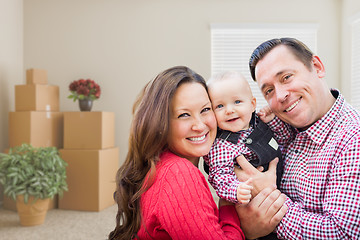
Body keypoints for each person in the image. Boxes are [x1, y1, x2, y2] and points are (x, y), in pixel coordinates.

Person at [108, 66, 288, 240]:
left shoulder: (162, 163)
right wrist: (238, 219)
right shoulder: (179, 174)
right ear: (161, 123)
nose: (200, 125)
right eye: (184, 115)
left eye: (205, 110)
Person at [234, 38, 360, 239]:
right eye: (269, 90)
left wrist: (269, 202)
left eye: (286, 77)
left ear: (317, 67)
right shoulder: (280, 129)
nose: (281, 95)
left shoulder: (353, 140)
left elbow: (343, 234)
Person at [203, 71, 283, 204]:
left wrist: (272, 121)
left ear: (252, 104)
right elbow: (220, 177)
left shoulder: (259, 122)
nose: (229, 110)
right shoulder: (221, 146)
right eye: (220, 106)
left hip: (284, 188)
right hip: (254, 201)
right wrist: (236, 190)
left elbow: (283, 140)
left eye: (237, 101)